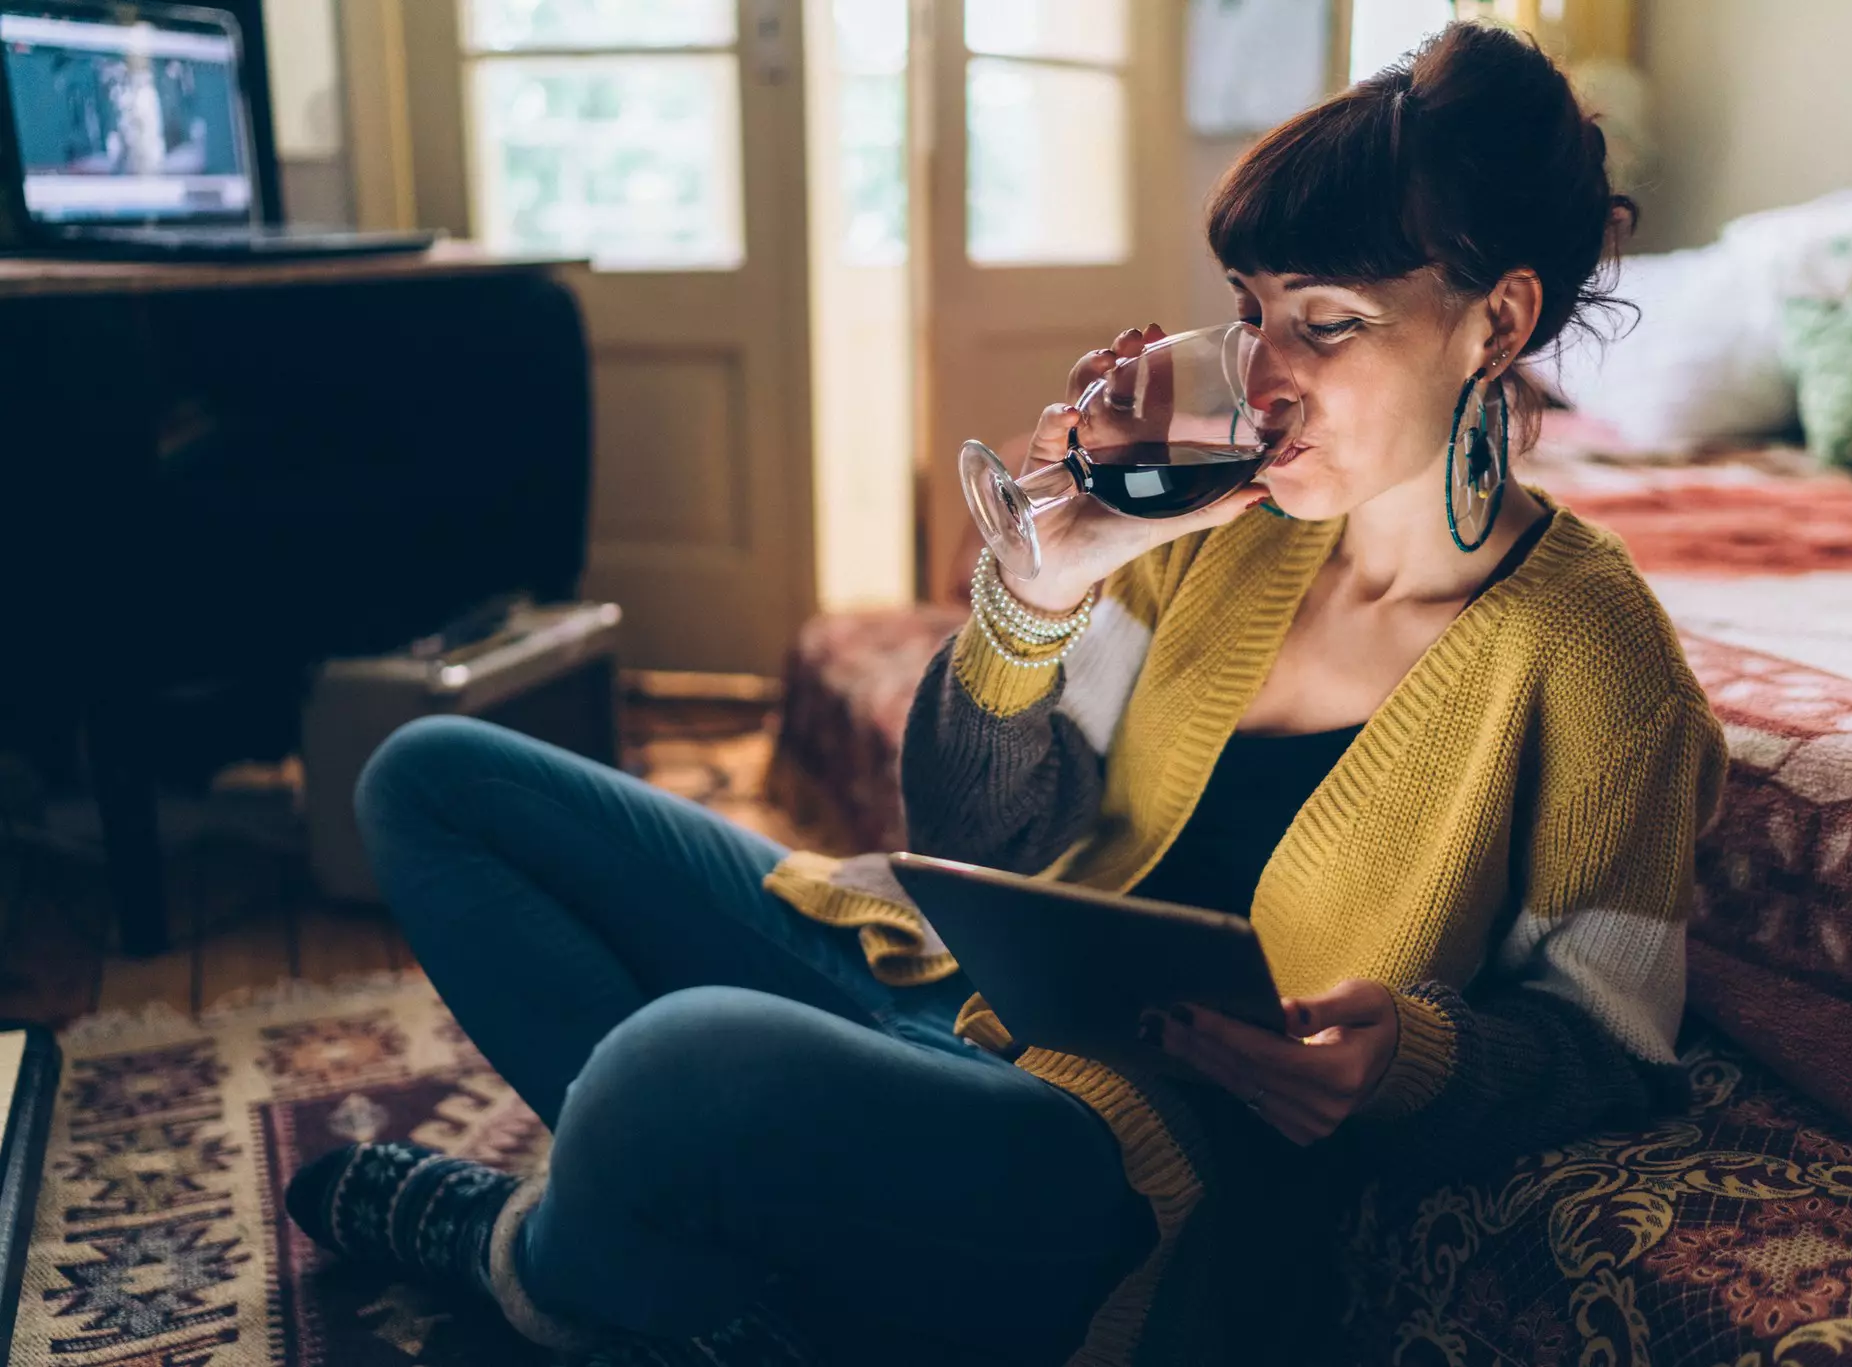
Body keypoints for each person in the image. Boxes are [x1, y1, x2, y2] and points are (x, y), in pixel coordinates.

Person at [285, 21, 1725, 1367]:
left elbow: (1606, 1050)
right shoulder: (1220, 542)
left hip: (1109, 1160)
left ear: (1495, 322)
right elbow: (970, 838)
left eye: (1328, 324)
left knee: (675, 1062)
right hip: (949, 1006)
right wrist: (1045, 588)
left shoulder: (1593, 661)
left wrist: (1408, 1057)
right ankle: (705, 1298)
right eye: (1251, 312)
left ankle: (526, 1255)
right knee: (433, 777)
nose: (1263, 377)